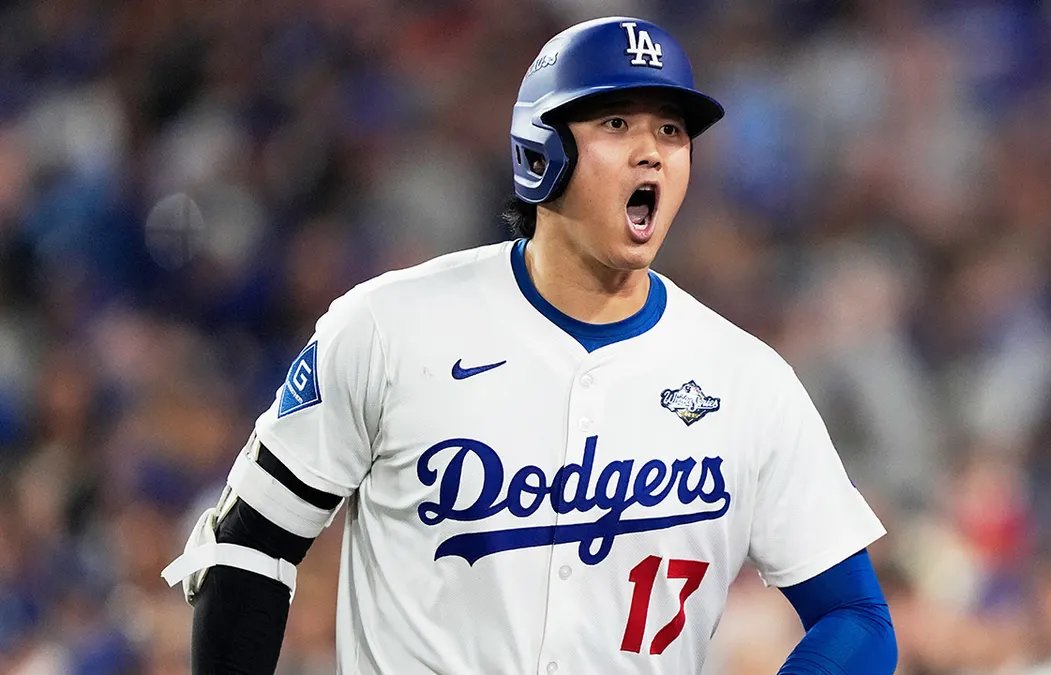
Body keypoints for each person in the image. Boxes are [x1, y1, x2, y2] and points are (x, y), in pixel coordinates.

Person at [162, 15, 897, 674]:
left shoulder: (746, 379)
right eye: (617, 123)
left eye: (671, 130)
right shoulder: (390, 327)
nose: (652, 153)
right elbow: (249, 545)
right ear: (540, 151)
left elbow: (857, 617)